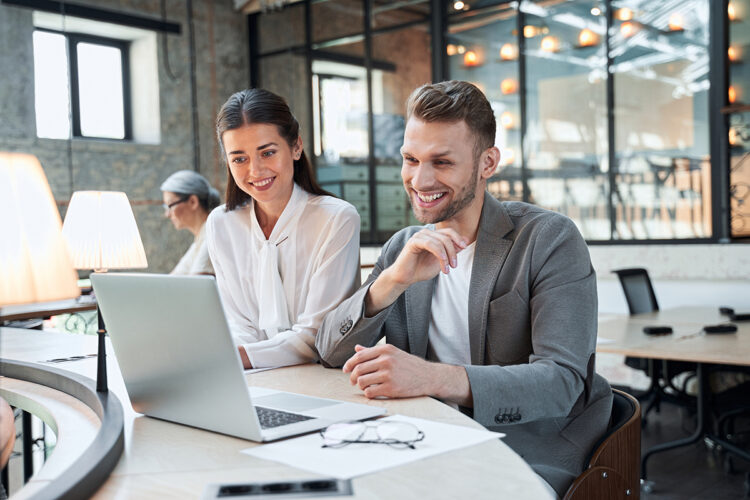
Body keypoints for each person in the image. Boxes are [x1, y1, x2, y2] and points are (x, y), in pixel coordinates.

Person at [315, 81, 612, 497]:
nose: (420, 179)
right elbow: (329, 351)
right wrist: (390, 282)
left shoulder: (548, 238)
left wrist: (431, 378)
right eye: (410, 159)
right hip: (424, 433)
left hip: (528, 441)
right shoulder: (403, 247)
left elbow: (563, 382)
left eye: (442, 162)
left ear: (487, 162)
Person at [206, 88, 360, 370]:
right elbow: (237, 323)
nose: (255, 170)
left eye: (267, 152)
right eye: (239, 158)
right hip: (251, 377)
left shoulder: (336, 219)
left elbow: (317, 336)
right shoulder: (221, 224)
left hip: (319, 377)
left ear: (296, 147)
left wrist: (240, 358)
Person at [160, 170, 220, 275]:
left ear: (193, 202)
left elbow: (196, 285)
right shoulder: (200, 239)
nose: (167, 214)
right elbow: (172, 280)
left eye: (170, 205)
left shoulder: (213, 235)